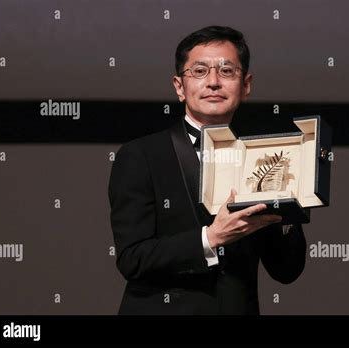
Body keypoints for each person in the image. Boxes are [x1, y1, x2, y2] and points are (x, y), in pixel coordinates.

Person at [108, 25, 307, 315]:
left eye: (227, 71)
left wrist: (296, 205)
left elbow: (285, 271)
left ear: (246, 85)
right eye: (199, 71)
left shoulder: (261, 159)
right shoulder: (140, 155)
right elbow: (132, 259)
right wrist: (210, 238)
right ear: (179, 86)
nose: (213, 82)